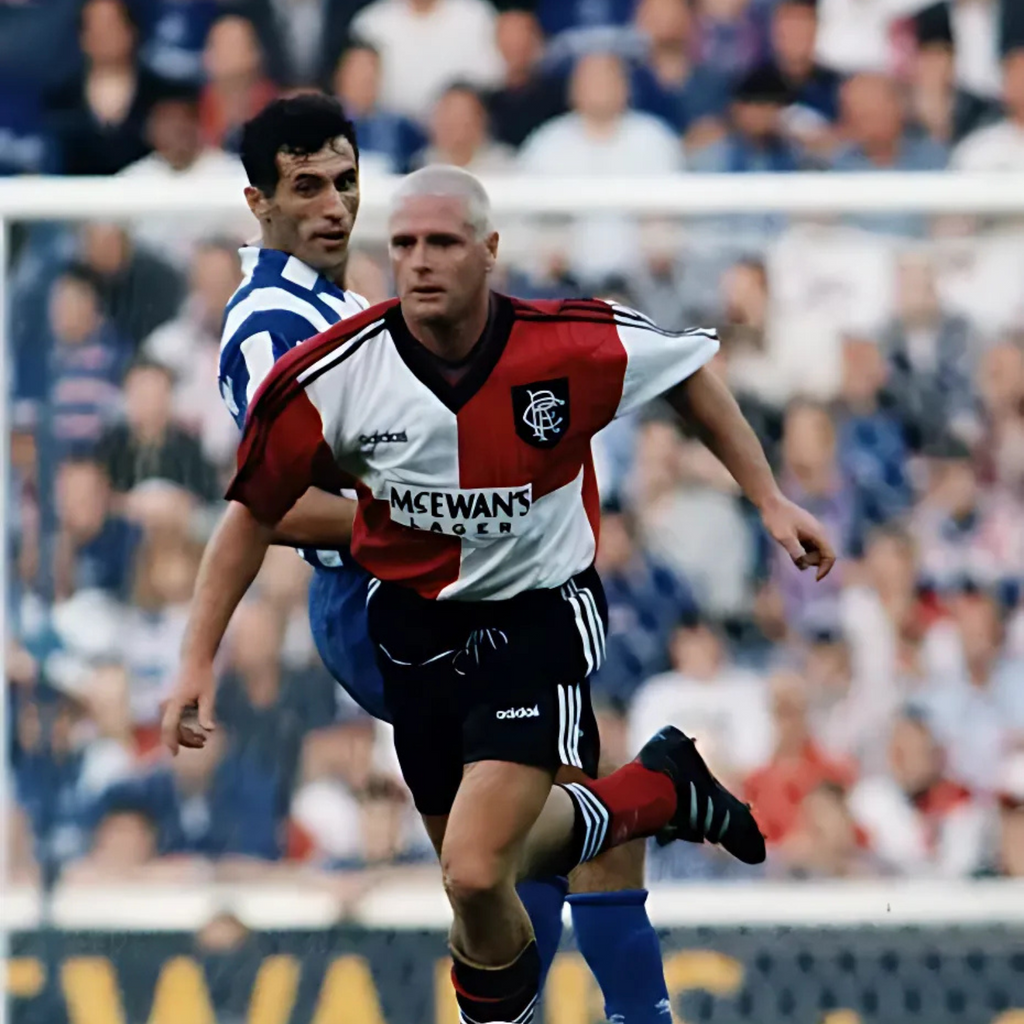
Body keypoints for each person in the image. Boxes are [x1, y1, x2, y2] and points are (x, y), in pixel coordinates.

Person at [165, 162, 834, 1023]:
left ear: (488, 251)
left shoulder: (566, 344)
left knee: (478, 865)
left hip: (537, 620)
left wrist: (769, 499)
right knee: (483, 891)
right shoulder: (338, 374)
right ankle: (654, 791)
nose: (419, 261)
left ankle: (639, 990)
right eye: (404, 245)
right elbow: (252, 513)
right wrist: (195, 655)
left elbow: (689, 370)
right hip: (409, 631)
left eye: (441, 243)